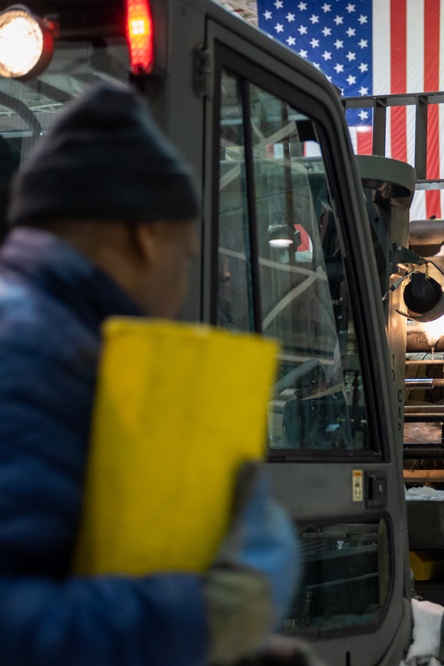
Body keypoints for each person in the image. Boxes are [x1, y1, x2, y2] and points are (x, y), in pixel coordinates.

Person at [0, 82, 301, 664]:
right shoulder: (39, 357)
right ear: (148, 235)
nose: (180, 291)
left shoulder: (53, 334)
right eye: (186, 259)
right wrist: (199, 619)